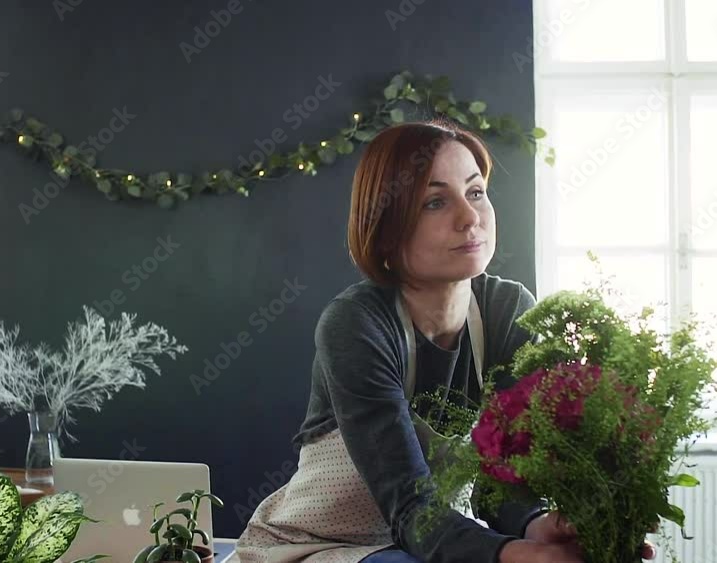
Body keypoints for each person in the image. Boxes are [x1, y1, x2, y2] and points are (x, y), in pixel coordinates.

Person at [232, 121, 656, 563]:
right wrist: (529, 557)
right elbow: (411, 508)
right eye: (436, 202)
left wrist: (543, 528)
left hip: (437, 544)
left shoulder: (506, 309)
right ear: (387, 227)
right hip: (319, 547)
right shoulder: (356, 324)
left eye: (475, 192)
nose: (470, 217)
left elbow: (499, 483)